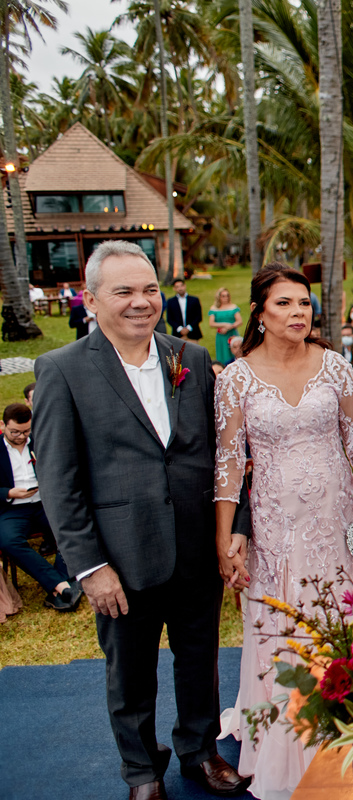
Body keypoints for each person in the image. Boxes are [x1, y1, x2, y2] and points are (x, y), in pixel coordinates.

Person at [34, 240, 248, 800]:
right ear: (91, 299)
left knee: (199, 661)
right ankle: (141, 772)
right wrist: (89, 567)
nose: (140, 302)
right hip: (119, 557)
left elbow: (225, 455)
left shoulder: (191, 359)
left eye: (149, 289)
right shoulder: (62, 370)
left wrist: (233, 531)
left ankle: (200, 752)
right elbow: (59, 482)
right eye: (123, 291)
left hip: (197, 547)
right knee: (129, 674)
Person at [214, 266, 353, 799]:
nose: (297, 312)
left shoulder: (335, 367)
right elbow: (229, 464)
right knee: (286, 619)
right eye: (283, 304)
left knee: (344, 615)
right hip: (276, 526)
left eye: (304, 303)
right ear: (259, 314)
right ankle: (287, 738)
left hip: (337, 518)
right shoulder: (236, 378)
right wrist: (224, 537)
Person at [1, 403, 81, 611]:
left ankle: (58, 585)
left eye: (26, 431)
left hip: (44, 502)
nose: (21, 436)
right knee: (8, 540)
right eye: (15, 432)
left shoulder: (40, 441)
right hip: (13, 508)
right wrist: (9, 493)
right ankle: (62, 585)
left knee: (71, 526)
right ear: (3, 425)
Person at [208, 287, 242, 365]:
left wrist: (230, 326)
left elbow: (239, 321)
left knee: (235, 351)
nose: (225, 298)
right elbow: (211, 323)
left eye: (227, 295)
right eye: (223, 296)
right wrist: (224, 325)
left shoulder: (233, 307)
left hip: (232, 333)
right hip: (221, 335)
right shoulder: (214, 308)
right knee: (222, 353)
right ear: (219, 297)